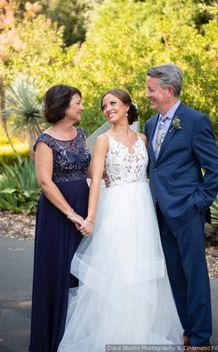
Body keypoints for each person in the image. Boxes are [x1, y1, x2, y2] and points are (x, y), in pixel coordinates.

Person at [58, 88, 183, 351]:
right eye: (104, 106)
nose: (108, 109)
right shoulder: (103, 140)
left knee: (142, 270)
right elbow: (94, 182)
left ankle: (138, 334)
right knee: (120, 269)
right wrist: (91, 217)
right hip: (117, 211)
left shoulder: (143, 138)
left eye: (113, 103)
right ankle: (114, 334)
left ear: (127, 107)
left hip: (144, 210)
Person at [145, 64, 218, 350]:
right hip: (159, 212)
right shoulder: (151, 124)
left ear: (168, 89)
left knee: (195, 275)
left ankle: (202, 338)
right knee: (175, 276)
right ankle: (186, 329)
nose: (147, 95)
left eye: (151, 89)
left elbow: (214, 168)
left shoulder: (194, 120)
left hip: (187, 212)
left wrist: (198, 203)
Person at [29, 84, 91, 352]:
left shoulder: (81, 134)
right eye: (77, 102)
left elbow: (89, 167)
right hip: (58, 214)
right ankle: (54, 339)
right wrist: (71, 213)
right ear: (63, 107)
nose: (81, 106)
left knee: (85, 270)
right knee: (59, 272)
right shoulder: (45, 141)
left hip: (84, 206)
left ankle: (80, 338)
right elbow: (45, 181)